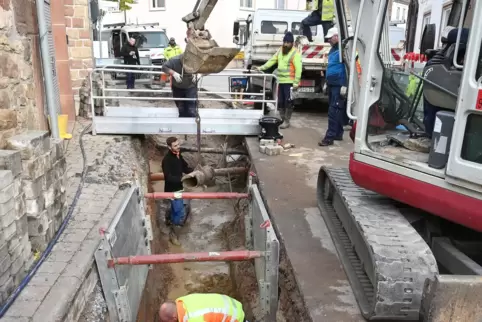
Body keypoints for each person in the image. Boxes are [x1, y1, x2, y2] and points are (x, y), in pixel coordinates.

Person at [255, 31, 302, 129]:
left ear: (292, 43)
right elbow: (272, 60)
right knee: (280, 102)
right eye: (284, 42)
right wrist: (261, 68)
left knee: (288, 102)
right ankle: (282, 119)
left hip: (290, 82)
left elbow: (299, 69)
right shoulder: (280, 51)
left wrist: (296, 83)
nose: (285, 44)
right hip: (280, 81)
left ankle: (287, 121)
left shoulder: (295, 53)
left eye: (288, 42)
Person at [162, 137, 193, 244]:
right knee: (179, 212)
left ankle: (168, 217)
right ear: (169, 147)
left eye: (178, 144)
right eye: (175, 145)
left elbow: (185, 168)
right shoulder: (166, 160)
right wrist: (181, 179)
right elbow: (168, 177)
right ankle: (173, 234)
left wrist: (194, 172)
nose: (178, 147)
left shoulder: (178, 155)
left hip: (180, 188)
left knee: (176, 209)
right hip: (172, 190)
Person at [319, 27, 348, 146]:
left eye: (330, 38)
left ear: (336, 36)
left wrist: (345, 84)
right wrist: (326, 81)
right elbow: (331, 66)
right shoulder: (333, 50)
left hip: (339, 83)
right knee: (337, 110)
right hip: (332, 83)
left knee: (334, 111)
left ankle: (329, 137)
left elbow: (349, 67)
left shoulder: (344, 50)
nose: (329, 41)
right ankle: (338, 133)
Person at [159, 293, 248, 322]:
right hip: (233, 303)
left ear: (174, 317)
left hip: (236, 317)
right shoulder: (183, 300)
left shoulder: (192, 319)